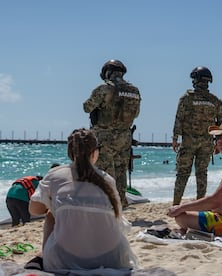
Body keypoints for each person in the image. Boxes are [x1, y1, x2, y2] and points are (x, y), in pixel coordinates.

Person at [26, 128, 137, 272]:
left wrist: (55, 205)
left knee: (51, 215)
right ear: (95, 152)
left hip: (63, 262)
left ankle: (48, 257)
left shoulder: (55, 174)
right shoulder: (108, 180)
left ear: (70, 153)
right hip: (114, 259)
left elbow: (33, 210)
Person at [83, 59, 141, 207]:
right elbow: (136, 114)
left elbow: (87, 107)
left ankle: (105, 206)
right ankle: (120, 203)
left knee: (103, 174)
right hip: (125, 137)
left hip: (105, 137)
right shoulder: (134, 91)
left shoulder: (104, 89)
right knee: (121, 173)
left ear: (107, 73)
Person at [172, 66, 222, 205]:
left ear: (195, 80)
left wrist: (175, 138)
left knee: (182, 173)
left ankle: (176, 204)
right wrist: (219, 142)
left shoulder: (187, 98)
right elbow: (221, 124)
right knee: (202, 174)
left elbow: (179, 119)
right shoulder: (215, 101)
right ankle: (200, 203)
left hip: (189, 142)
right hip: (207, 143)